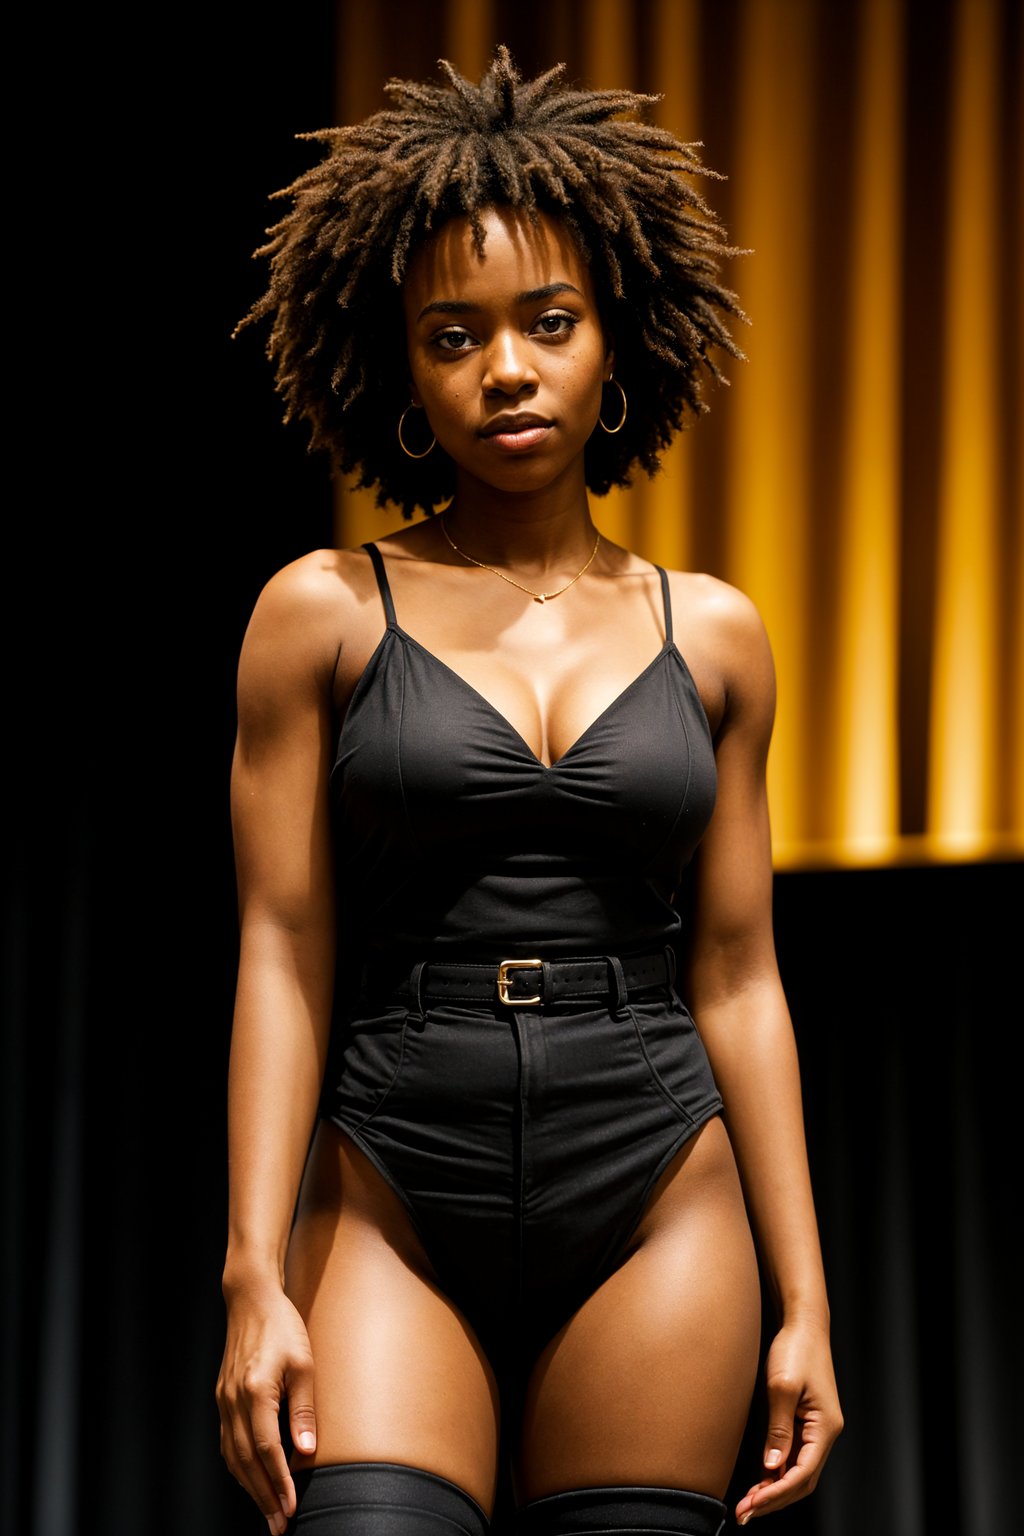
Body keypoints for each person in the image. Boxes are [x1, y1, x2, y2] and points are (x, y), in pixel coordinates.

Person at [215, 46, 843, 1536]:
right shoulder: (323, 609)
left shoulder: (719, 633)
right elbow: (281, 953)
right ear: (402, 365)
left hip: (655, 1183)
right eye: (456, 333)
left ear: (612, 342)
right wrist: (251, 1268)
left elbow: (742, 977)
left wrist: (806, 1298)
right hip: (392, 1179)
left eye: (548, 322)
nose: (507, 367)